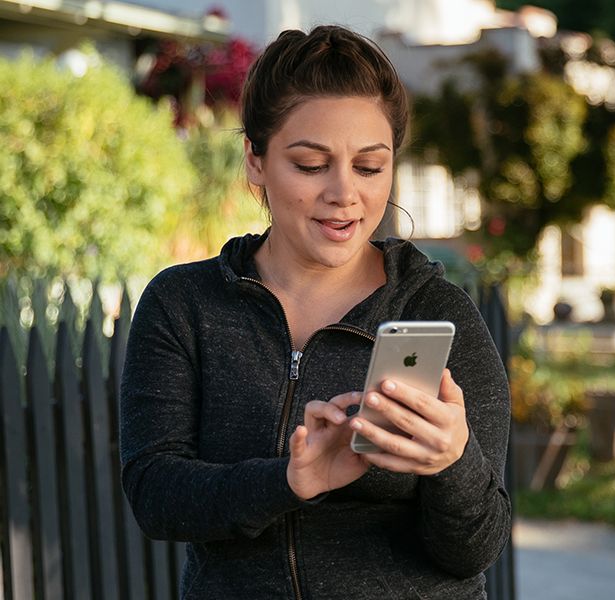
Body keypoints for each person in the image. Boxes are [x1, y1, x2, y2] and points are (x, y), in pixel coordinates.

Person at [120, 25, 512, 599]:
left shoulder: (436, 311)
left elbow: (476, 549)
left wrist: (454, 462)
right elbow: (155, 495)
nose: (344, 193)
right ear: (255, 160)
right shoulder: (185, 305)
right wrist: (290, 480)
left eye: (370, 167)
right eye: (310, 164)